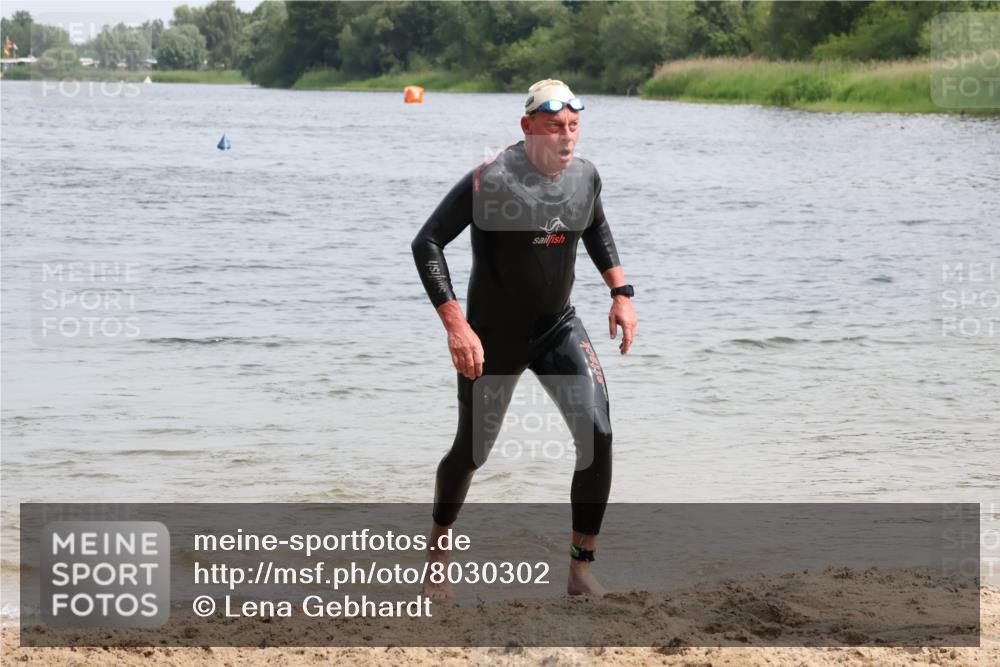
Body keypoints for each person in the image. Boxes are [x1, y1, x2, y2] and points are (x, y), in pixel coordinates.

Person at [411, 79, 637, 599]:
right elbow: (427, 242)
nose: (567, 137)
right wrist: (455, 324)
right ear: (528, 126)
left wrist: (621, 291)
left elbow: (597, 227)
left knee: (598, 434)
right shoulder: (492, 180)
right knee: (472, 452)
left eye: (574, 126)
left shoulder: (584, 177)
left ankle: (580, 571)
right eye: (555, 126)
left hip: (558, 327)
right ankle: (439, 551)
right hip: (491, 339)